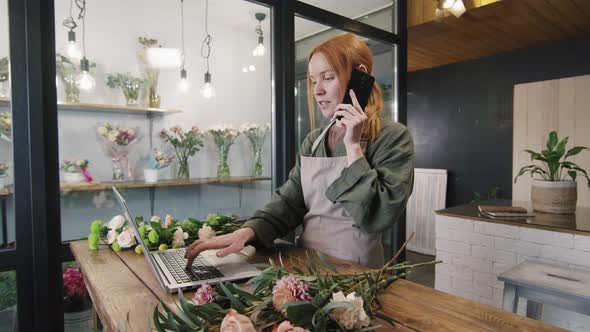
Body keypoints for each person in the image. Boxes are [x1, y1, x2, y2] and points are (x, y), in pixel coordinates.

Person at [186, 33, 415, 269]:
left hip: (355, 271)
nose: (317, 91)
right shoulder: (313, 141)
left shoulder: (393, 138)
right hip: (304, 264)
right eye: (314, 80)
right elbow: (289, 202)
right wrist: (247, 231)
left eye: (328, 77)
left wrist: (353, 146)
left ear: (361, 77)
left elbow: (379, 216)